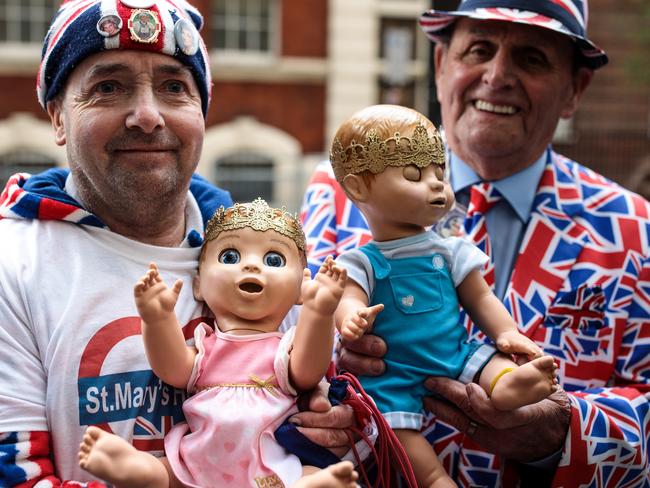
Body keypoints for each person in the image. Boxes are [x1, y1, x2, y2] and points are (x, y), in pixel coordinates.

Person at [0, 0, 356, 485]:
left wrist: (332, 425)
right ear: (58, 117)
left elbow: (329, 426)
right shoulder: (13, 260)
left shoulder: (266, 255)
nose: (147, 115)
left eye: (174, 88)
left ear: (202, 113)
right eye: (108, 87)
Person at [301, 0, 650, 486]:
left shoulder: (633, 229)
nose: (497, 75)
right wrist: (334, 374)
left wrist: (565, 432)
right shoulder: (338, 190)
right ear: (442, 66)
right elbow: (267, 341)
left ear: (575, 89)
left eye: (532, 58)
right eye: (479, 49)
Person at [331, 104, 558, 487]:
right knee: (404, 441)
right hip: (394, 377)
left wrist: (506, 333)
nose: (437, 184)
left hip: (455, 355)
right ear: (358, 187)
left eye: (440, 173)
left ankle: (508, 387)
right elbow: (347, 297)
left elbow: (481, 299)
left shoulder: (450, 251)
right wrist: (351, 318)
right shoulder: (361, 260)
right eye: (413, 174)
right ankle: (436, 481)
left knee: (490, 361)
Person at [77, 199, 358, 488]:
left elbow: (308, 371)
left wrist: (319, 313)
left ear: (302, 286)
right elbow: (172, 368)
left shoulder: (284, 347)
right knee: (167, 472)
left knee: (300, 475)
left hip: (266, 458)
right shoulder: (207, 344)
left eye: (273, 259)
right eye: (230, 257)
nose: (251, 264)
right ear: (198, 285)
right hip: (201, 452)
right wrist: (158, 318)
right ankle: (136, 468)